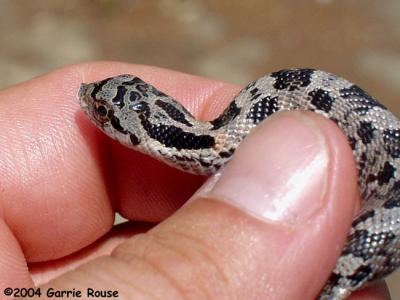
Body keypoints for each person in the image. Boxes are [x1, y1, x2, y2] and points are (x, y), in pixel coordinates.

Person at [0, 62, 390, 299]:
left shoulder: (216, 141)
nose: (86, 101)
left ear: (140, 137)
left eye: (100, 111)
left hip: (392, 203)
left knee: (327, 269)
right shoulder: (213, 138)